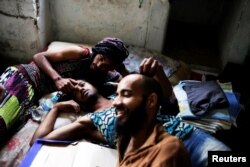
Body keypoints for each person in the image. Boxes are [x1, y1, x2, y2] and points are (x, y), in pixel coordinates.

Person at [30, 58, 230, 167]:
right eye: (73, 91)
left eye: (81, 83)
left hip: (191, 141)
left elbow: (170, 105)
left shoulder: (125, 91)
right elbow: (37, 143)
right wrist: (56, 108)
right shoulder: (89, 122)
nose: (78, 88)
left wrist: (158, 73)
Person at [0, 37, 129, 141]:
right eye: (101, 58)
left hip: (33, 95)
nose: (99, 65)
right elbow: (38, 57)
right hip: (27, 77)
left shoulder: (108, 77)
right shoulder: (81, 53)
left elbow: (132, 83)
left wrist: (121, 68)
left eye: (106, 65)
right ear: (98, 51)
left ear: (113, 68)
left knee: (6, 125)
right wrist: (57, 79)